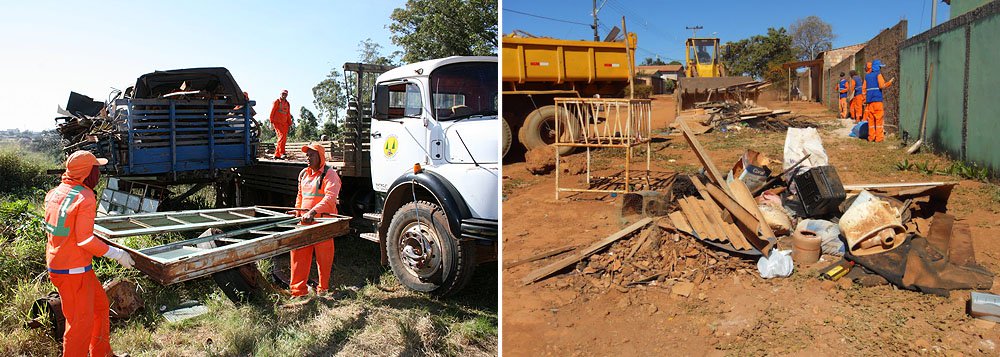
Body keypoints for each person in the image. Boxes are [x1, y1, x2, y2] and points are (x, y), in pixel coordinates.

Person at [44, 150, 134, 357]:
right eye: (96, 169)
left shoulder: (55, 192)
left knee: (100, 307)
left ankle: (102, 353)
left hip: (68, 265)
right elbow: (84, 240)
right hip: (72, 271)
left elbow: (67, 231)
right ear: (87, 172)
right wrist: (117, 254)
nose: (98, 174)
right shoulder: (85, 197)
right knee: (79, 324)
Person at [288, 142, 342, 297]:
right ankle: (298, 292)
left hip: (323, 224)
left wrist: (312, 212)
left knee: (324, 259)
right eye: (307, 155)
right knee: (298, 255)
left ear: (320, 157)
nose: (308, 157)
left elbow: (330, 198)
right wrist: (297, 211)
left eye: (311, 155)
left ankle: (323, 290)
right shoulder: (303, 174)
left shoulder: (330, 174)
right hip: (304, 223)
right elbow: (300, 197)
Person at [862, 60, 894, 142]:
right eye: (880, 67)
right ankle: (879, 138)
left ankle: (871, 137)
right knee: (879, 120)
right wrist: (889, 83)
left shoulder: (867, 76)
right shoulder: (878, 74)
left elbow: (864, 89)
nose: (880, 68)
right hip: (877, 101)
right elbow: (881, 86)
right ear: (877, 67)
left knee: (871, 121)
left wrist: (865, 99)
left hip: (869, 102)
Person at [269, 90, 293, 159]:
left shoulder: (287, 104)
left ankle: (277, 154)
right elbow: (272, 112)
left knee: (283, 138)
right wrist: (271, 122)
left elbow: (288, 114)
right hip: (277, 122)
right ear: (280, 94)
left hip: (285, 123)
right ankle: (282, 153)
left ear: (287, 95)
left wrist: (290, 123)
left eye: (285, 94)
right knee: (281, 137)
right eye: (283, 94)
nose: (284, 95)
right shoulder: (277, 102)